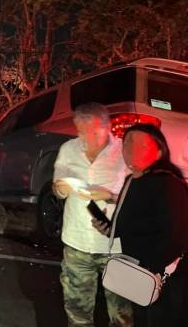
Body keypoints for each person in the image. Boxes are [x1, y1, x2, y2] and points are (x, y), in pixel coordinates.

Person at [92, 124, 188, 326]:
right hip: (137, 274)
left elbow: (177, 236)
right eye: (127, 143)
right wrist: (108, 229)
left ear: (159, 152)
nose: (131, 148)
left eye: (140, 144)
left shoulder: (169, 184)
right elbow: (126, 226)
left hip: (164, 279)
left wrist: (152, 268)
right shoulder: (131, 182)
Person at [52, 102, 132, 326]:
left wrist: (111, 196)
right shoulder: (68, 149)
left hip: (116, 247)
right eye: (80, 132)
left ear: (108, 127)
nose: (86, 139)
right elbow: (56, 188)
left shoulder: (125, 151)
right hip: (76, 243)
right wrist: (60, 189)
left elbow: (141, 195)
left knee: (122, 314)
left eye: (93, 132)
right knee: (77, 312)